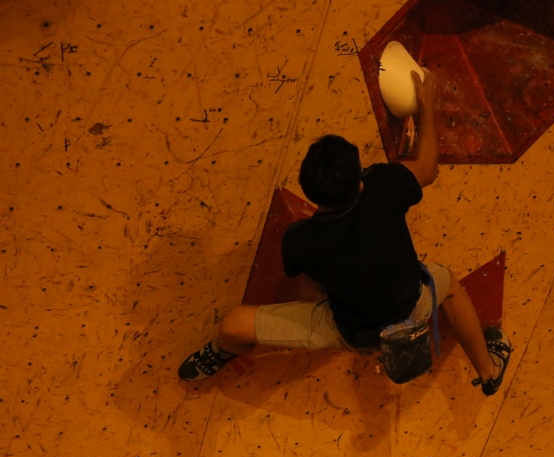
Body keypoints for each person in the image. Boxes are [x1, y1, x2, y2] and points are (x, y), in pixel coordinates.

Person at [178, 70, 512, 396]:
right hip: (413, 308)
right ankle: (488, 371)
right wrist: (426, 105)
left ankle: (223, 351)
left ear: (309, 190)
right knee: (448, 283)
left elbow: (303, 276)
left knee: (232, 324)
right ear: (360, 180)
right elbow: (427, 168)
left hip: (351, 333)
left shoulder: (299, 240)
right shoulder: (384, 187)